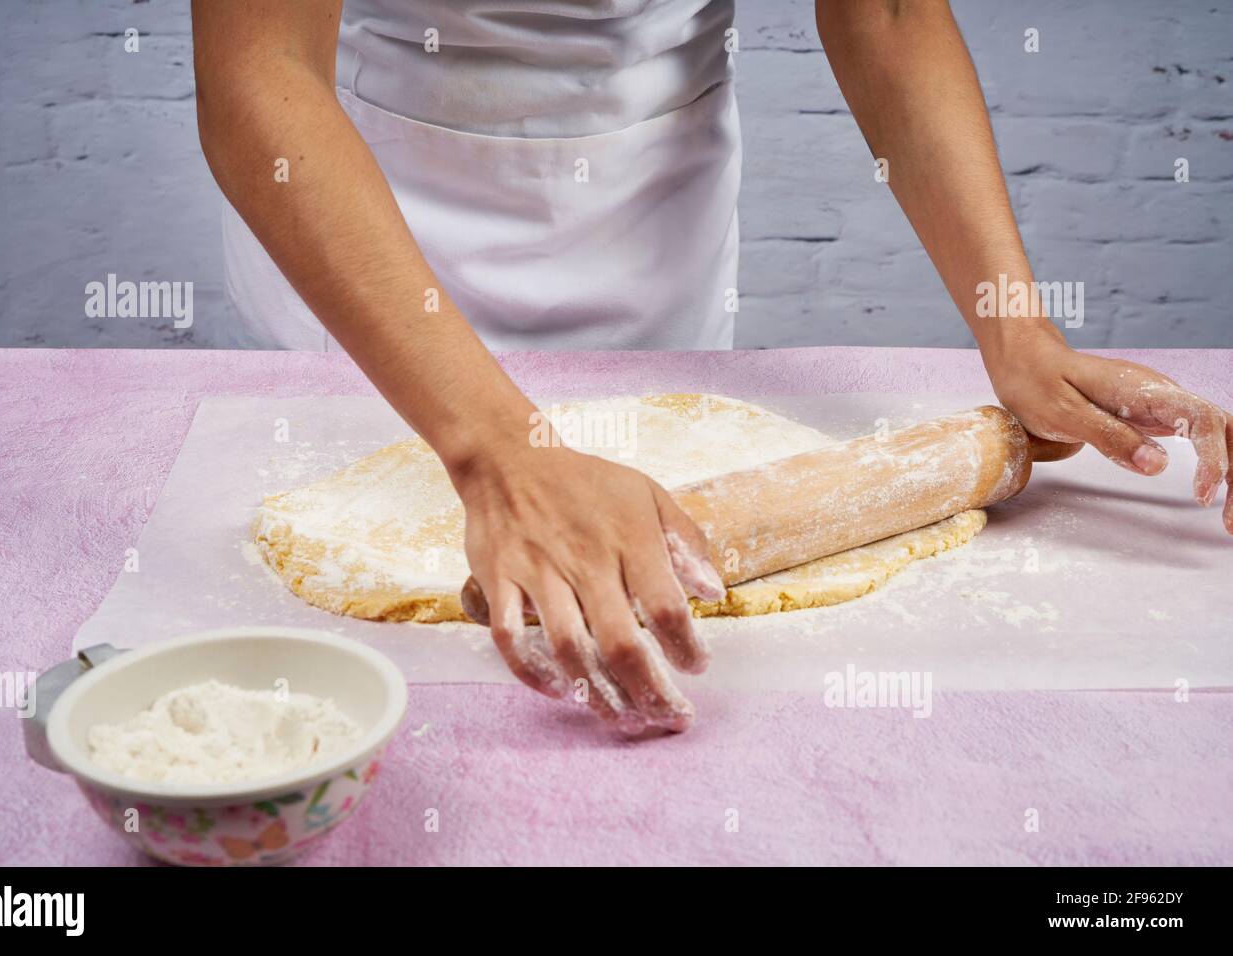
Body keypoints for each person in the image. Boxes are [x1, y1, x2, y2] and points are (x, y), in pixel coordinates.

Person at [191, 1, 1232, 734]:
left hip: (652, 204)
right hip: (373, 224)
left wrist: (1018, 333)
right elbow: (258, 64)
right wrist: (495, 448)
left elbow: (890, 13)